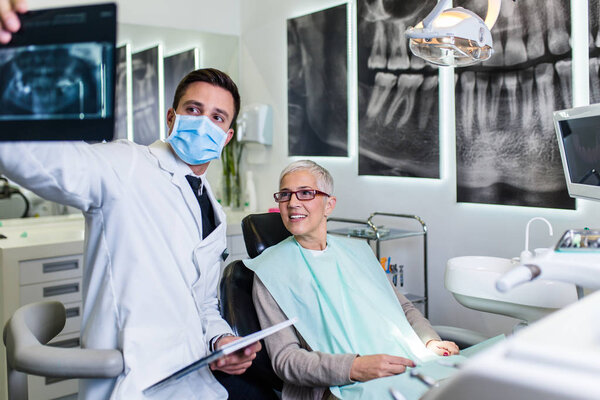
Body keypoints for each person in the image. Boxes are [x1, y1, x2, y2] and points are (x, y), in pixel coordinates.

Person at [0, 3, 261, 399]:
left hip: (194, 375)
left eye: (218, 117)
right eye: (194, 110)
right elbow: (40, 159)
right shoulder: (126, 166)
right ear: (172, 118)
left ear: (227, 137)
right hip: (135, 381)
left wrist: (221, 341)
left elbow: (204, 301)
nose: (205, 122)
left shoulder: (212, 206)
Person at [244, 160, 460, 400]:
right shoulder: (270, 272)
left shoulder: (359, 252)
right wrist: (354, 368)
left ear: (329, 205)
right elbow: (286, 359)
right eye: (285, 195)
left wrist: (429, 341)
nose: (293, 203)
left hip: (406, 363)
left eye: (306, 193)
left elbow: (404, 308)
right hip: (339, 388)